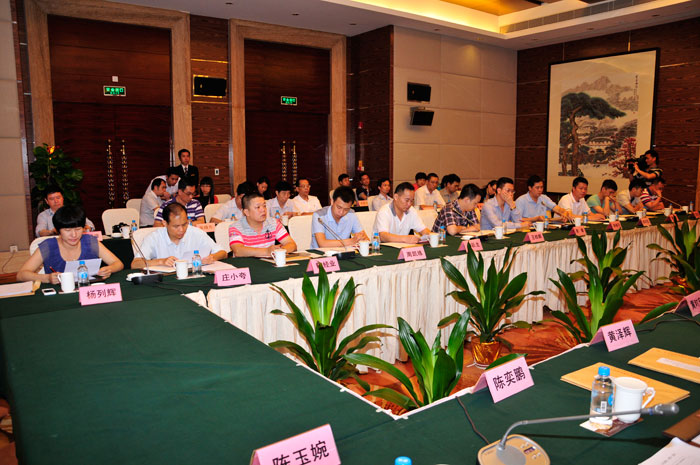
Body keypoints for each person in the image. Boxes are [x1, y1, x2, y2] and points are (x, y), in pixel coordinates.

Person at [18, 206, 123, 283]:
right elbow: (21, 275)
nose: (74, 235)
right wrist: (46, 278)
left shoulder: (90, 242)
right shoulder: (48, 246)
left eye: (78, 229)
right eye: (67, 230)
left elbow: (118, 263)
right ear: (58, 230)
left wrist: (108, 269)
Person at [131, 203, 226, 269]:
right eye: (176, 226)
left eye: (184, 224)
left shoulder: (196, 233)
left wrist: (212, 257)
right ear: (164, 223)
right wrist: (161, 261)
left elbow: (223, 253)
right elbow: (135, 264)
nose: (181, 230)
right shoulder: (154, 237)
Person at [228, 192, 297, 257]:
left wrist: (279, 251)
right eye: (258, 207)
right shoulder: (236, 228)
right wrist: (267, 251)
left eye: (264, 206)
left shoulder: (273, 223)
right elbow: (238, 251)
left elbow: (292, 244)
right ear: (246, 212)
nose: (263, 210)